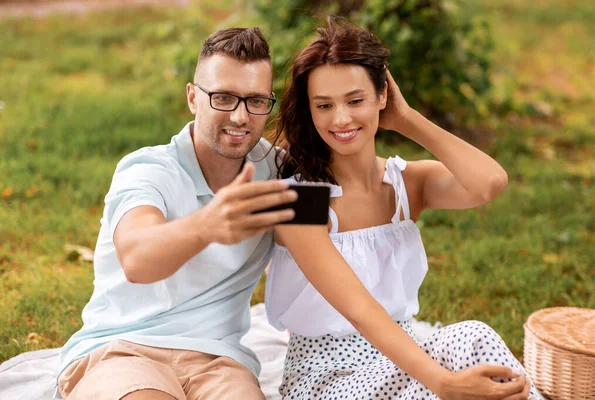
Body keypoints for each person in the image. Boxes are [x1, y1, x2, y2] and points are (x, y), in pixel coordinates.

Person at [265, 17, 543, 400]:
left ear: (383, 96)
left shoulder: (405, 184)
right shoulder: (301, 201)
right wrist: (443, 382)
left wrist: (408, 120)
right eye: (324, 105)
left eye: (356, 100)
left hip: (407, 357)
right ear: (310, 111)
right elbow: (360, 310)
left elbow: (489, 182)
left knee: (474, 341)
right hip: (327, 377)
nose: (341, 118)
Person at [56, 27, 297, 400]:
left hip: (219, 361)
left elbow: (370, 186)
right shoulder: (148, 170)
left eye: (255, 101)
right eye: (223, 97)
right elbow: (137, 258)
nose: (239, 116)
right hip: (122, 350)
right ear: (192, 98)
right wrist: (208, 225)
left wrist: (401, 121)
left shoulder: (277, 169)